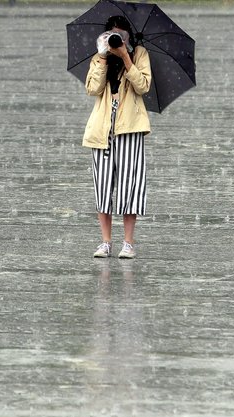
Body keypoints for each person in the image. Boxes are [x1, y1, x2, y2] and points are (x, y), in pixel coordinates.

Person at [82, 15, 152, 259]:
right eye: (113, 35)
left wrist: (125, 56)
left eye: (122, 36)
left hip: (130, 126)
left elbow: (143, 86)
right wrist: (103, 56)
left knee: (128, 186)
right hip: (102, 128)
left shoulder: (139, 54)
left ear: (129, 37)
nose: (117, 40)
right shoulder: (99, 57)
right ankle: (106, 242)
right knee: (102, 187)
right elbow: (92, 89)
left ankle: (128, 243)